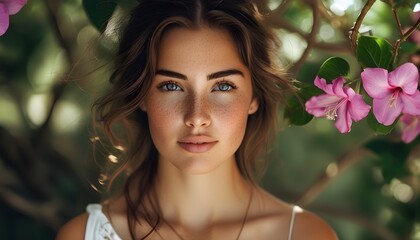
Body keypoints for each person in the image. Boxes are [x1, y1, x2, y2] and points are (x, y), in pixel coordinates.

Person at [57, 0, 338, 239]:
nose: (197, 117)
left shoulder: (306, 235)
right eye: (171, 86)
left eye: (223, 86)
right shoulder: (84, 235)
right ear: (142, 95)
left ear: (254, 97)